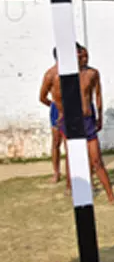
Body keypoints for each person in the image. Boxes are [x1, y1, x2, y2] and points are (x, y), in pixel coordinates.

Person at [55, 44, 114, 206]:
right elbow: (56, 97)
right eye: (81, 55)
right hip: (71, 122)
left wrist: (99, 116)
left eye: (86, 55)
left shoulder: (92, 74)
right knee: (74, 158)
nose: (84, 58)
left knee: (96, 160)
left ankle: (111, 197)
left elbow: (98, 96)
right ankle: (73, 189)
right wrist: (61, 114)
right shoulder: (62, 76)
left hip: (87, 121)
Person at [39, 48, 67, 183]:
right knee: (56, 142)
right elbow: (42, 97)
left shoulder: (75, 71)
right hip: (57, 108)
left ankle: (74, 171)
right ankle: (56, 172)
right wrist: (56, 106)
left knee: (72, 143)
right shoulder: (50, 74)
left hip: (72, 109)